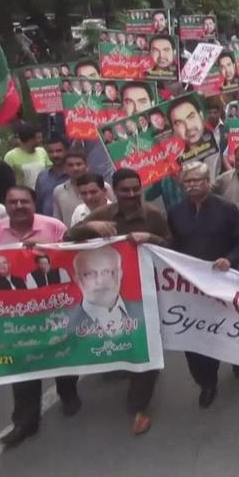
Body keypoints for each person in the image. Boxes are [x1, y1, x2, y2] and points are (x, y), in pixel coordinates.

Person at [66, 168, 171, 437]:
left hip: (146, 295)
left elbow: (171, 248)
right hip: (109, 297)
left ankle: (138, 407)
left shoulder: (154, 216)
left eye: (136, 189)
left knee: (146, 347)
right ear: (115, 191)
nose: (132, 194)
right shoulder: (101, 216)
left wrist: (150, 238)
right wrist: (89, 227)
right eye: (125, 190)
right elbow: (67, 239)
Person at [0, 186, 70, 448]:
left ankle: (69, 392)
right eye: (13, 202)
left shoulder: (53, 226)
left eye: (24, 201)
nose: (19, 206)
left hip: (53, 307)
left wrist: (45, 248)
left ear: (34, 203)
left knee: (63, 356)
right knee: (22, 365)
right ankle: (24, 422)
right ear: (6, 206)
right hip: (17, 315)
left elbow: (70, 255)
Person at [168, 161, 239, 408]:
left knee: (225, 330)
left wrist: (230, 259)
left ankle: (237, 359)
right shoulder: (175, 212)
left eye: (197, 180)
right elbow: (172, 246)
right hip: (190, 286)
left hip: (222, 283)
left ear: (208, 182)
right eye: (187, 181)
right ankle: (206, 382)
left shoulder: (227, 209)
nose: (192, 185)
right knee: (193, 336)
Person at [53, 151, 113, 227]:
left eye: (79, 164)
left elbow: (114, 207)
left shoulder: (104, 186)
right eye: (70, 165)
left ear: (87, 167)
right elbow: (58, 219)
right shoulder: (59, 191)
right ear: (65, 168)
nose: (75, 168)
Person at [34, 138, 69, 216]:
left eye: (59, 151)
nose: (55, 155)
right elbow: (38, 205)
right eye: (51, 152)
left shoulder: (74, 176)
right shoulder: (42, 177)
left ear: (67, 151)